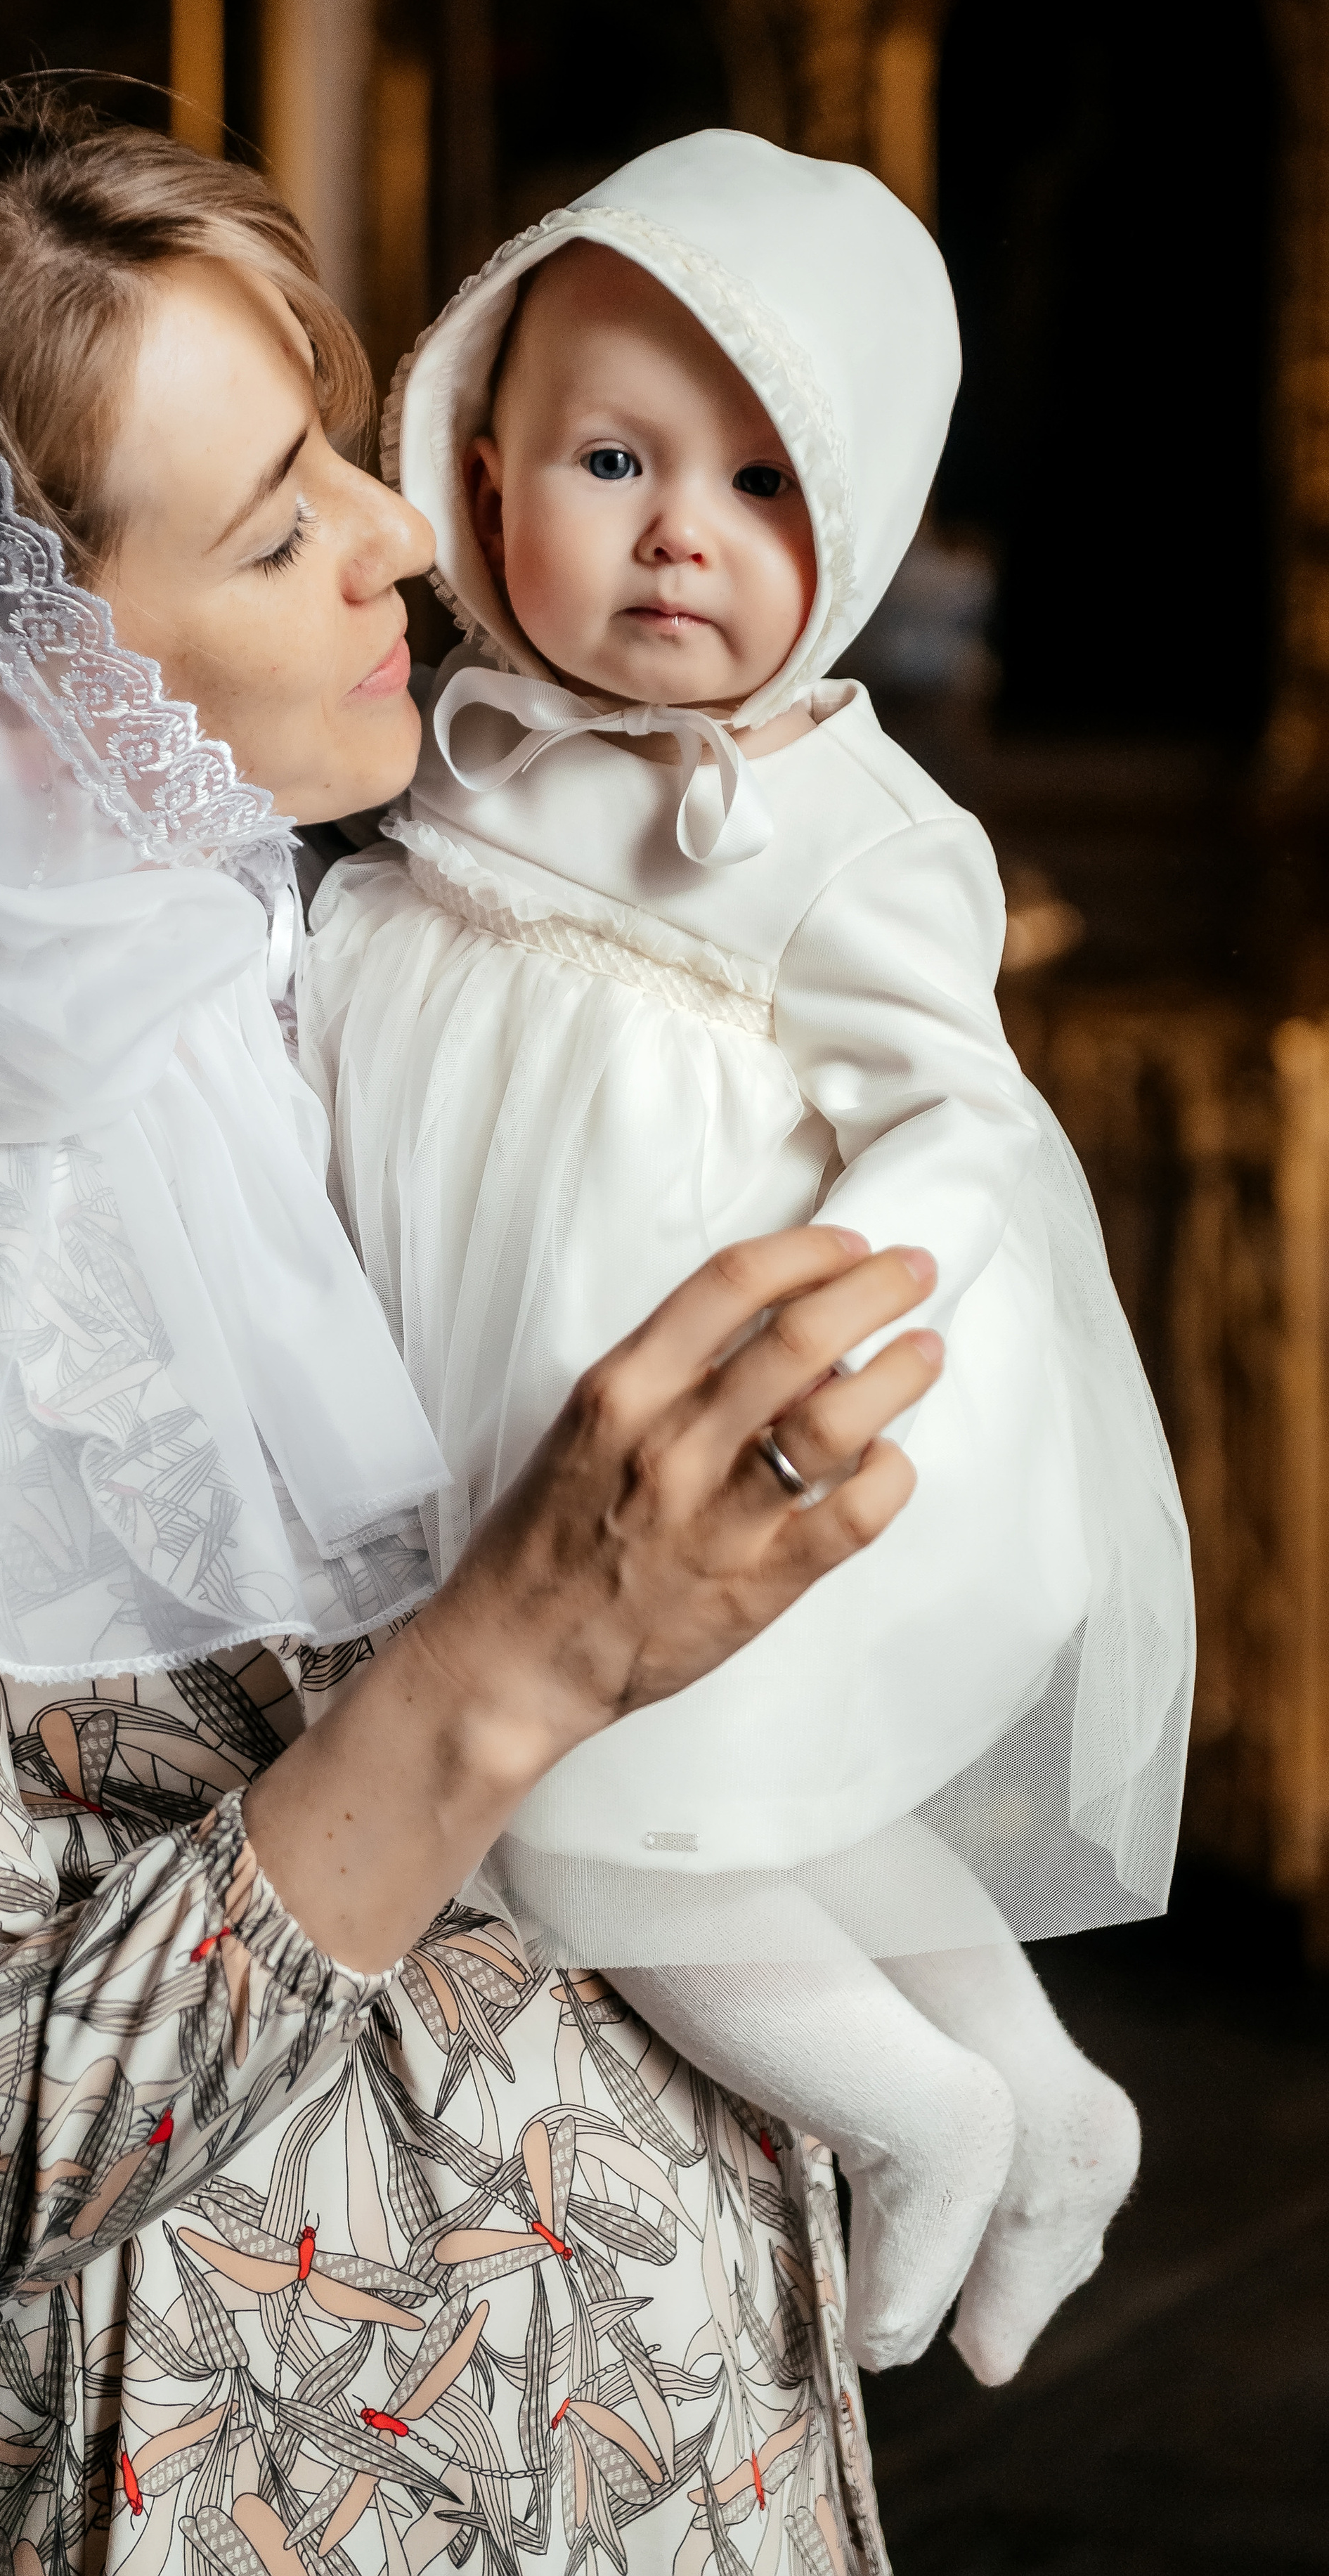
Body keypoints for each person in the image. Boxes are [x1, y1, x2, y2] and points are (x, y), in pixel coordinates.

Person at [0, 81, 940, 2575]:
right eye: (287, 524)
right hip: (214, 2481)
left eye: (345, 442)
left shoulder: (285, 951)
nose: (412, 531)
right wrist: (495, 1666)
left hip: (680, 2407)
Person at [298, 134, 1194, 2386]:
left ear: (865, 523)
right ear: (481, 479)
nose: (681, 527)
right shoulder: (447, 742)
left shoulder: (850, 824)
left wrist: (833, 1320)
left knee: (596, 1824)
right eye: (613, 457)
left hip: (722, 1394)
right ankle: (1063, 2113)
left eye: (765, 483)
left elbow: (960, 1117)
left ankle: (928, 2114)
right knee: (763, 1810)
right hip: (481, 1383)